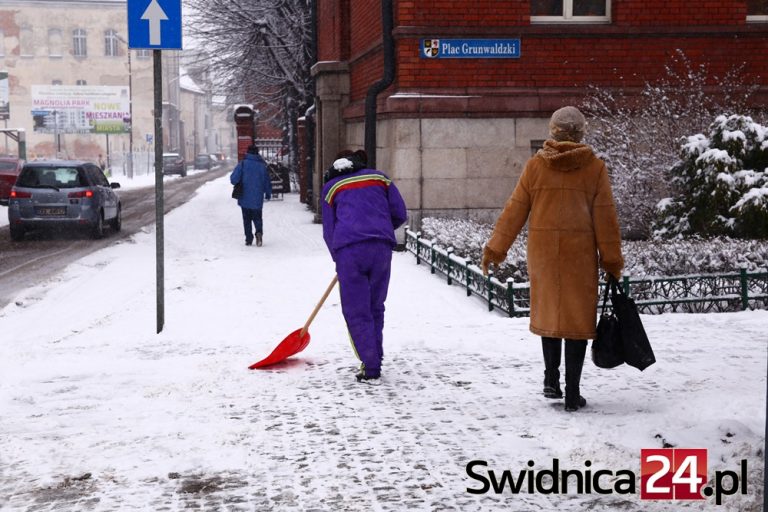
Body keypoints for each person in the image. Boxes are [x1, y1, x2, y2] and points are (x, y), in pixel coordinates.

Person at [480, 106, 624, 411]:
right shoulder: (594, 168)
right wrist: (612, 261)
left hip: (543, 254)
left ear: (552, 131)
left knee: (549, 315)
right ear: (582, 132)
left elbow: (515, 209)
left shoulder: (536, 166)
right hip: (579, 255)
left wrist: (495, 248)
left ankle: (550, 380)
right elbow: (606, 218)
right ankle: (573, 392)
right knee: (576, 320)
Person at [321, 149, 407, 384]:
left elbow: (329, 229)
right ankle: (375, 356)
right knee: (375, 306)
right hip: (381, 249)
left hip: (350, 251)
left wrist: (337, 256)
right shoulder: (380, 179)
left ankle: (370, 365)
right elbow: (400, 213)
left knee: (356, 310)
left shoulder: (332, 187)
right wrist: (380, 227)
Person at [230, 144, 272, 246]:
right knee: (257, 217)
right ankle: (259, 233)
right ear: (257, 153)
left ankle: (248, 238)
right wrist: (268, 193)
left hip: (244, 196)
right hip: (257, 197)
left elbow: (233, 179)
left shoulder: (243, 164)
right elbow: (267, 181)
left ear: (247, 153)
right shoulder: (262, 166)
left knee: (246, 219)